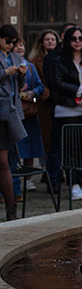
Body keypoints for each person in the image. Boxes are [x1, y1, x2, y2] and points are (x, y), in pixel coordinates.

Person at [48, 26, 82, 201]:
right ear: (68, 41)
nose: (77, 42)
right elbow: (57, 83)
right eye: (73, 39)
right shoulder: (60, 60)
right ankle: (73, 184)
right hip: (67, 108)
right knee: (71, 148)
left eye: (80, 38)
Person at [0, 26, 27, 219]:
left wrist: (22, 73)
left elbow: (20, 85)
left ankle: (11, 209)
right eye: (8, 41)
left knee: (5, 161)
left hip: (9, 111)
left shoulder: (16, 57)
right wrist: (5, 72)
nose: (11, 45)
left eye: (14, 42)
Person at [15, 37, 44, 194]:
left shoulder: (30, 67)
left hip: (29, 112)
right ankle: (14, 180)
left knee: (30, 147)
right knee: (16, 147)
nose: (19, 48)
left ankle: (28, 180)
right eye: (16, 45)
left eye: (22, 45)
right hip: (14, 112)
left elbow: (40, 86)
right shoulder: (8, 66)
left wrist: (33, 92)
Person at [28, 30, 58, 157]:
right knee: (46, 138)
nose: (50, 42)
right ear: (41, 43)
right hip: (44, 104)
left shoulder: (61, 59)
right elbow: (35, 82)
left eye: (53, 39)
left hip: (60, 101)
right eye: (47, 39)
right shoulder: (35, 62)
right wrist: (48, 95)